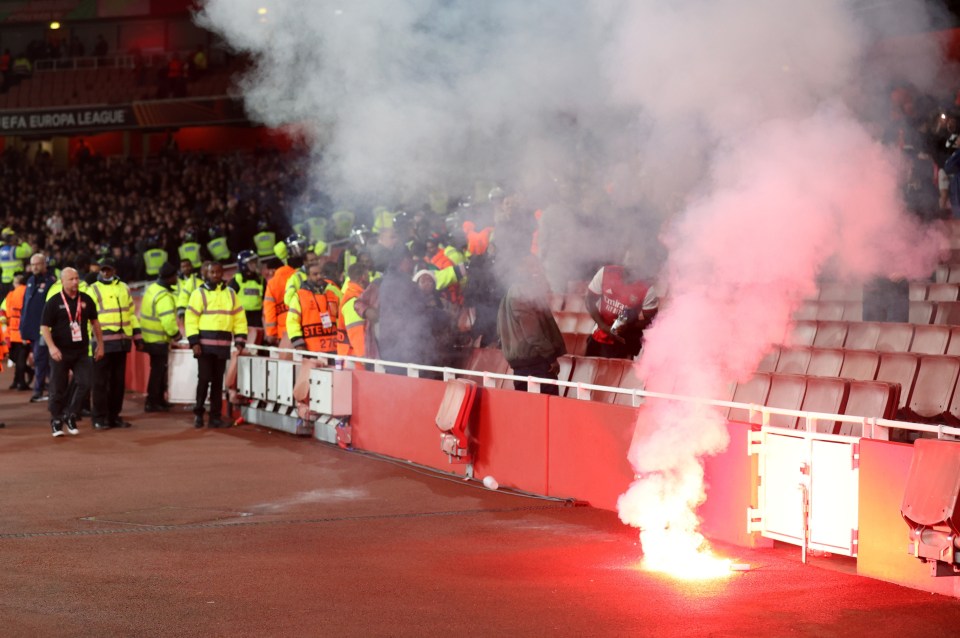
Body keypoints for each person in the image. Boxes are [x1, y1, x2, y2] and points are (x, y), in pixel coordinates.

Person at [40, 268, 104, 437]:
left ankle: (70, 413)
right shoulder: (54, 302)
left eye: (77, 278)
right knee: (57, 388)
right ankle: (56, 420)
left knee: (85, 383)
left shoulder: (87, 299)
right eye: (71, 279)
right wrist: (52, 347)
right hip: (60, 351)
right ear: (63, 282)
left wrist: (100, 345)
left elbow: (95, 323)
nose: (75, 282)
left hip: (81, 351)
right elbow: (44, 327)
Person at [185, 262, 247, 428]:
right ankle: (198, 413)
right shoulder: (199, 293)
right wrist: (194, 342)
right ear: (207, 273)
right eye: (212, 272)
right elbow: (191, 319)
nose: (215, 275)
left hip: (223, 346)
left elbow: (239, 318)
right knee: (204, 379)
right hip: (204, 345)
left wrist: (240, 338)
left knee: (218, 383)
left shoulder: (231, 294)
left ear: (222, 273)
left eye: (218, 272)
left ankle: (215, 417)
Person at [497, 256, 565, 395]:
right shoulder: (523, 294)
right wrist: (551, 358)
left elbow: (500, 332)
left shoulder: (509, 293)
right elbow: (533, 333)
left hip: (523, 367)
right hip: (536, 367)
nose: (538, 271)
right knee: (547, 412)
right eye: (534, 268)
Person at [89, 257, 142, 430]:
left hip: (121, 343)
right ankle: (98, 417)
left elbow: (131, 314)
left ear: (114, 270)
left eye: (108, 269)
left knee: (118, 383)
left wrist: (137, 336)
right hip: (102, 343)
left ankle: (114, 416)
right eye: (103, 270)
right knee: (100, 382)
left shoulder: (124, 288)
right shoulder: (93, 290)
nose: (105, 272)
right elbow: (87, 318)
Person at [584, 262, 659, 359]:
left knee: (617, 372)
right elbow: (589, 300)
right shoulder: (606, 272)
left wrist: (629, 324)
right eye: (631, 258)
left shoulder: (647, 289)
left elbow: (650, 320)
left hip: (624, 342)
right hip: (598, 336)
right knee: (590, 369)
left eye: (638, 259)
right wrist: (603, 326)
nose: (633, 262)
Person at [140, 262, 180, 412]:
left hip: (149, 337)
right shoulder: (164, 296)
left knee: (158, 371)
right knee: (158, 371)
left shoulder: (153, 289)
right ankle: (153, 401)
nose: (177, 278)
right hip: (158, 339)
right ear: (170, 278)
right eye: (175, 276)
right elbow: (168, 321)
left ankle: (158, 400)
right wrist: (176, 335)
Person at [21, 253, 56, 402]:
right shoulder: (30, 281)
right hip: (31, 328)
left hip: (44, 328)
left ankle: (38, 390)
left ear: (44, 265)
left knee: (40, 359)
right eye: (32, 264)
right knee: (41, 360)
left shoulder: (51, 282)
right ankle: (53, 387)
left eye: (37, 264)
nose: (34, 267)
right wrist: (22, 327)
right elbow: (26, 305)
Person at [287, 262, 340, 355]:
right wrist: (299, 344)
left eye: (321, 273)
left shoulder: (333, 293)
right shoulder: (299, 296)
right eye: (315, 274)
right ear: (307, 276)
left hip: (335, 350)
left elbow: (341, 318)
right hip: (310, 352)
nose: (319, 276)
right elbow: (292, 322)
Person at [263, 234, 307, 346]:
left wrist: (271, 333)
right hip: (307, 326)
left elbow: (269, 311)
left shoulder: (274, 281)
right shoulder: (307, 275)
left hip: (284, 332)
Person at [0, 271, 30, 390]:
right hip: (24, 329)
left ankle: (18, 381)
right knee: (20, 357)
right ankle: (20, 381)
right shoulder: (27, 292)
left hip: (12, 330)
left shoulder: (11, 294)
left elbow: (3, 310)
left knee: (16, 357)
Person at [228, 250, 264, 344]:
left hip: (257, 317)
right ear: (244, 265)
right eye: (251, 263)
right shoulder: (236, 280)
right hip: (242, 317)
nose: (255, 265)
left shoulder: (261, 280)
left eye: (255, 262)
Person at [337, 263, 370, 359]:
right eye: (368, 276)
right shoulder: (353, 302)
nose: (370, 280)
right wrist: (367, 361)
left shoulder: (355, 297)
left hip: (352, 357)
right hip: (354, 360)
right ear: (363, 277)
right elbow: (357, 334)